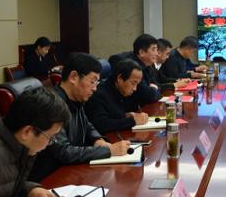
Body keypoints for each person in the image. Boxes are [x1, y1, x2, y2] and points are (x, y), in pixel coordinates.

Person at [29, 53, 130, 181]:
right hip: (51, 177)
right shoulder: (52, 105)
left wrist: (97, 140)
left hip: (71, 170)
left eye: (97, 82)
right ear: (73, 77)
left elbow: (87, 125)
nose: (95, 88)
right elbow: (63, 152)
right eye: (92, 82)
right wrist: (109, 151)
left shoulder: (76, 98)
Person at [85, 59, 150, 134]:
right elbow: (100, 125)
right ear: (120, 78)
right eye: (133, 83)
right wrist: (132, 121)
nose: (135, 89)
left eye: (137, 84)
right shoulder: (98, 95)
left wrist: (125, 115)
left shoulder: (120, 90)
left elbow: (111, 114)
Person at [108, 34, 162, 105]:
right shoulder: (132, 67)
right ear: (142, 52)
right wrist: (155, 89)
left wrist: (154, 88)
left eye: (157, 50)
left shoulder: (148, 65)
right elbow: (147, 96)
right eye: (153, 49)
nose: (157, 54)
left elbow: (157, 85)